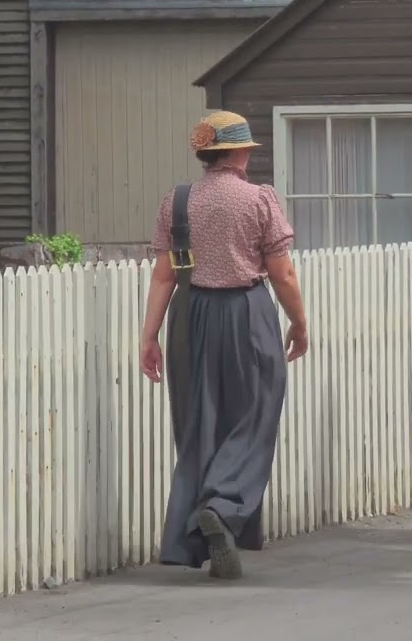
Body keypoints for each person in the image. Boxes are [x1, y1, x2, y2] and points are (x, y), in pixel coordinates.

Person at [138, 110, 308, 580]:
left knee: (199, 424)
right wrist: (299, 322)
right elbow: (282, 273)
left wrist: (148, 337)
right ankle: (222, 503)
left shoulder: (177, 202)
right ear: (236, 153)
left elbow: (164, 275)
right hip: (246, 311)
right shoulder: (259, 199)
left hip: (189, 316)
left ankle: (198, 533)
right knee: (255, 414)